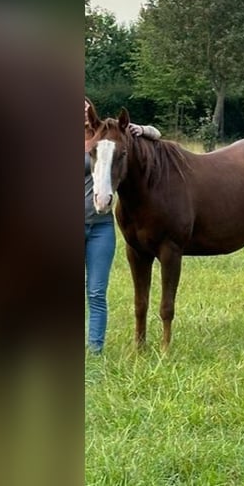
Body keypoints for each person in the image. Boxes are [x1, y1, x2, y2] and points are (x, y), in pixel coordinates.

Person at [84, 98, 160, 355]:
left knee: (96, 291)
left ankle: (95, 349)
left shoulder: (107, 137)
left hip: (100, 228)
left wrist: (144, 129)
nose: (82, 112)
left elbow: (152, 134)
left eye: (85, 107)